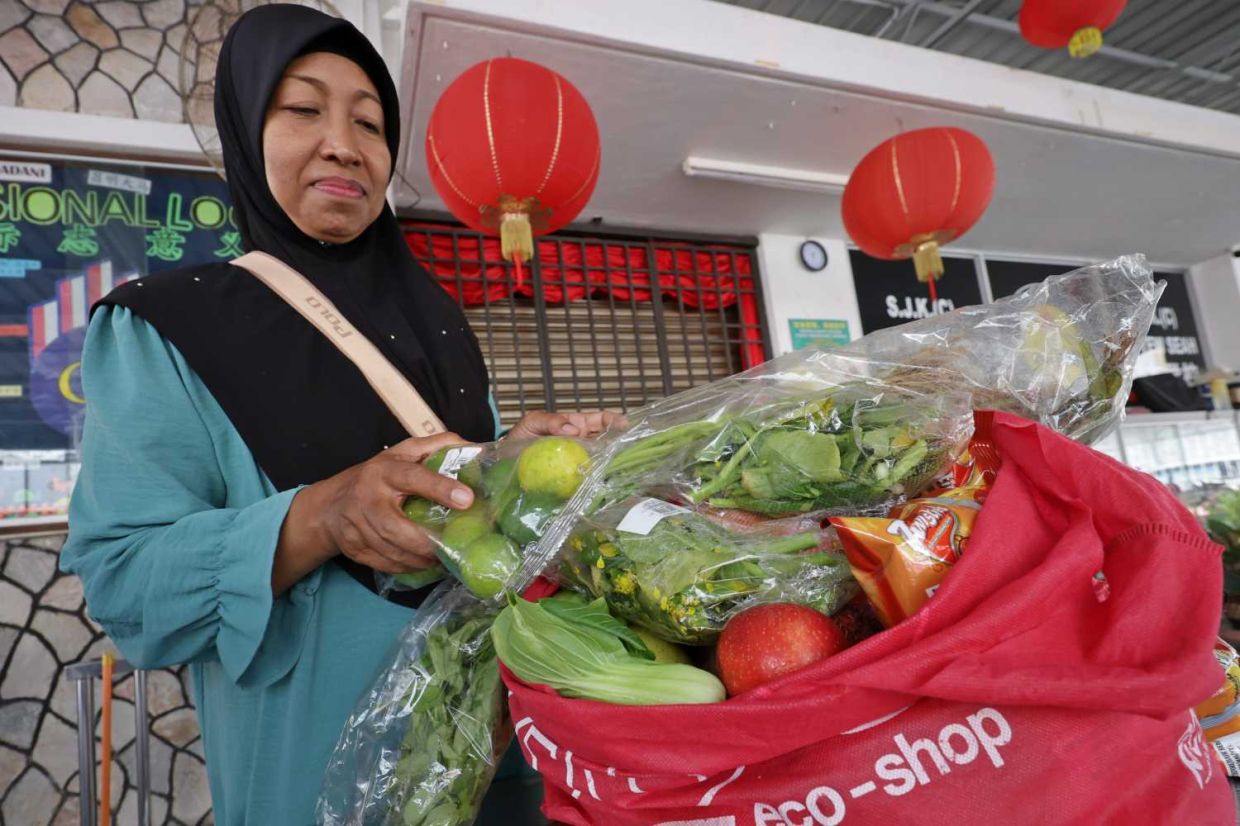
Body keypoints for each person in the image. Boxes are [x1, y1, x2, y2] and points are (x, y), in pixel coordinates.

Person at [60, 5, 615, 823]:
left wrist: (508, 466)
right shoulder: (168, 327)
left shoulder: (439, 323)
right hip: (325, 783)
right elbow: (125, 585)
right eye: (303, 109)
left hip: (504, 759)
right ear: (247, 131)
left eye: (370, 122)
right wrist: (323, 515)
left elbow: (465, 517)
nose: (345, 144)